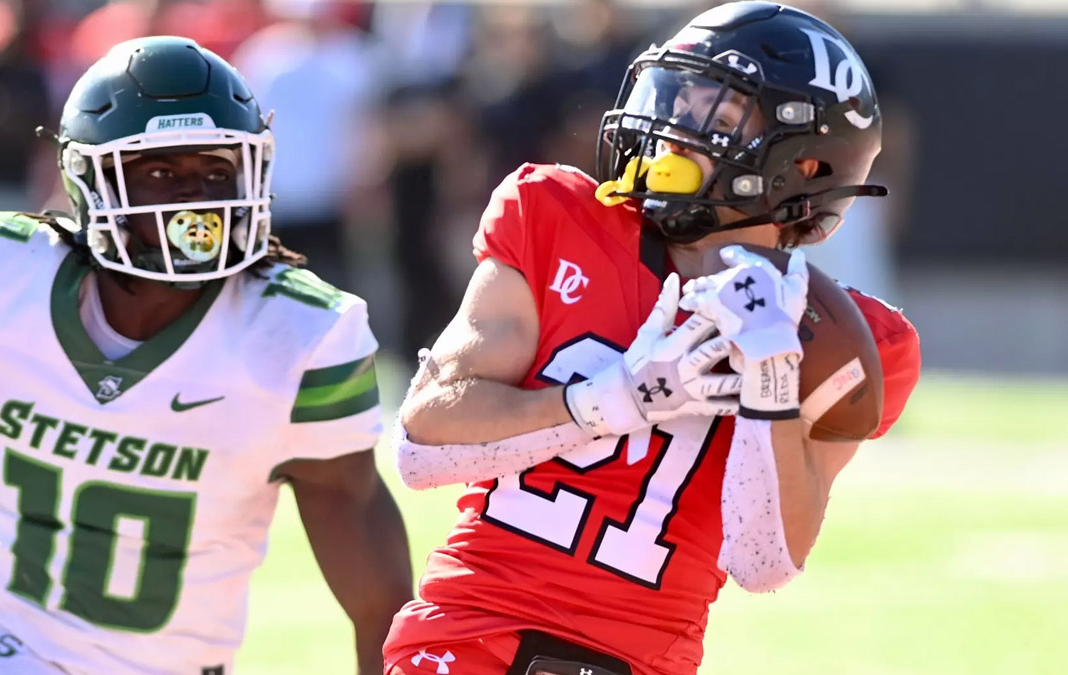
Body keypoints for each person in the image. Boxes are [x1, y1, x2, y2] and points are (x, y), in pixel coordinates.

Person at [384, 3, 921, 675]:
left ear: (805, 166)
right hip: (472, 636)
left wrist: (771, 380)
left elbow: (762, 561)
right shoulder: (558, 215)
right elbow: (422, 448)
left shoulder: (852, 343)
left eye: (716, 118)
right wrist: (613, 399)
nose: (672, 132)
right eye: (676, 99)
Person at [0, 36, 411, 674]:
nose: (197, 201)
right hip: (8, 651)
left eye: (216, 172)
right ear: (90, 181)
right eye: (162, 173)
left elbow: (380, 603)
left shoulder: (298, 335)